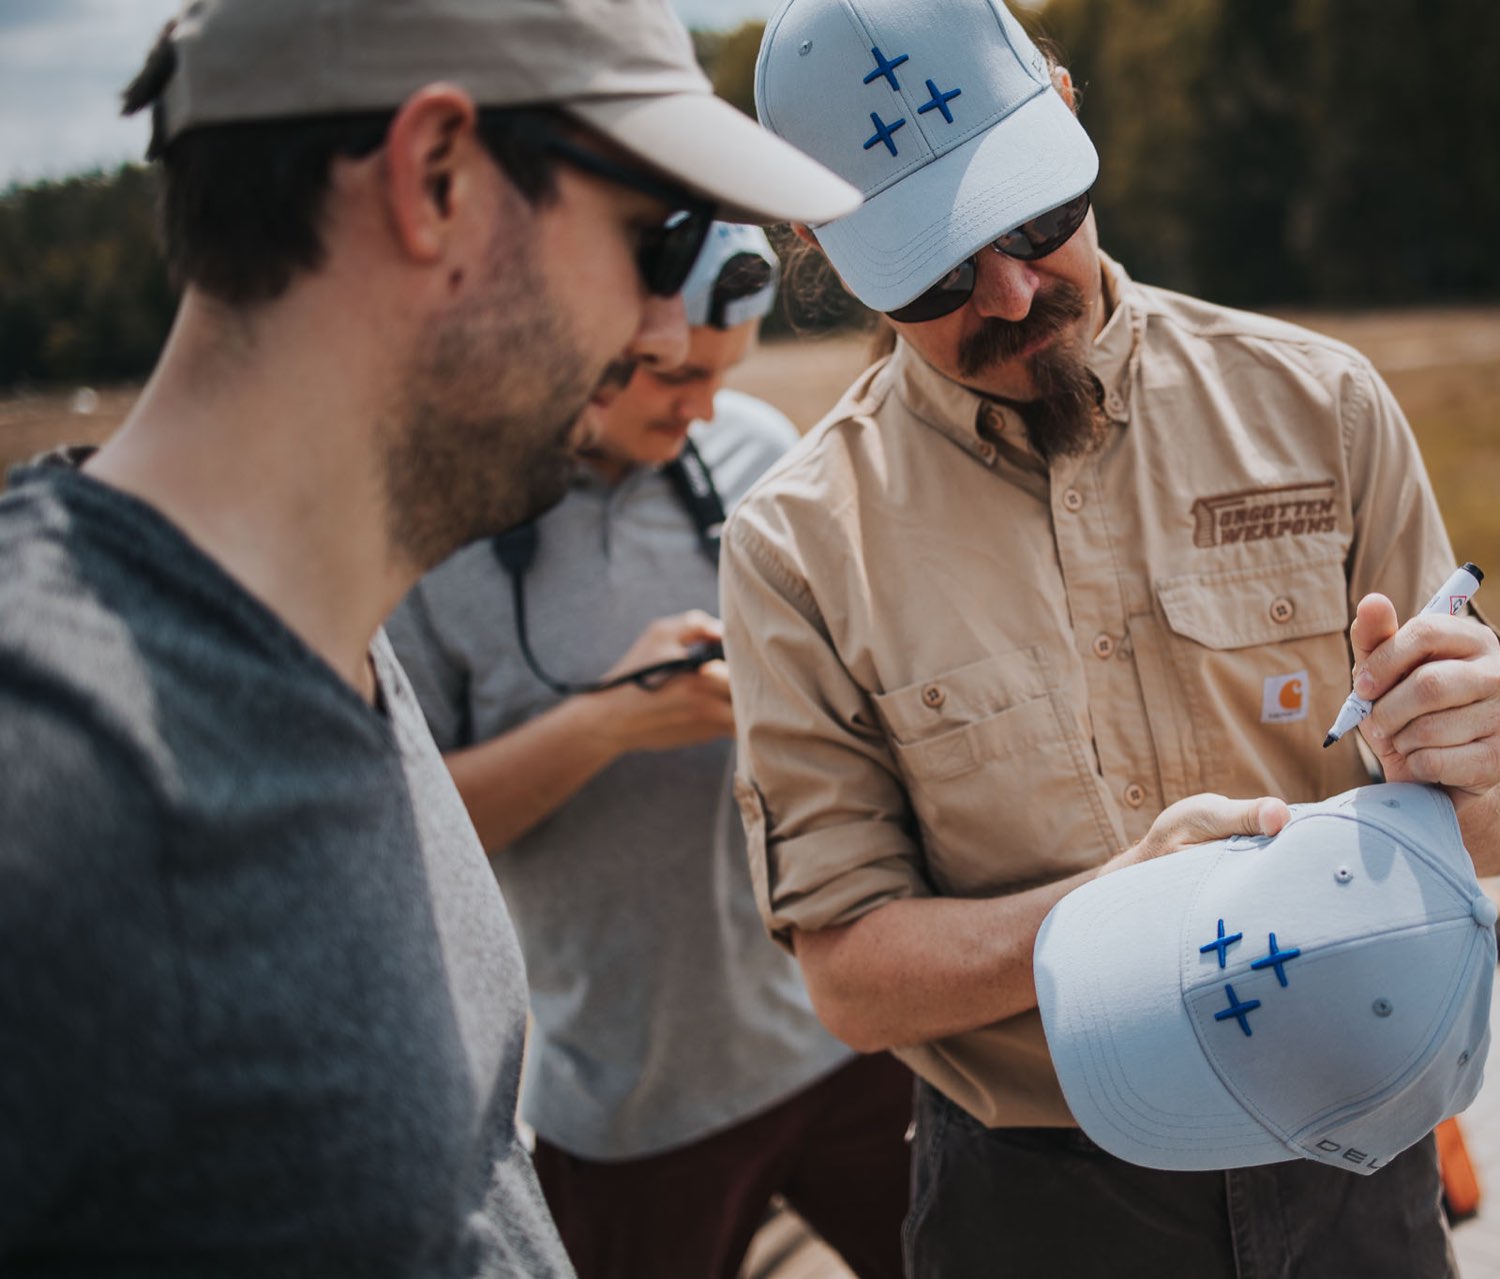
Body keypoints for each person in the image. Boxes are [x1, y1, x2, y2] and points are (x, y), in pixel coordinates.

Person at [0, 0, 858, 1272]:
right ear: (438, 181)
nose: (667, 335)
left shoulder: (327, 646)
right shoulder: (48, 772)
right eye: (647, 237)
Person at [719, 0, 1500, 1274]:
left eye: (1035, 219)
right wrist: (1113, 920)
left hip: (1357, 1151)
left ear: (1061, 99)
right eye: (934, 267)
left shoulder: (1320, 405)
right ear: (812, 239)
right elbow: (851, 975)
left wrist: (1485, 763)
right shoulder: (796, 546)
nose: (1008, 290)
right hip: (1043, 1204)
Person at [388, 223, 914, 1279]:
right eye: (672, 375)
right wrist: (612, 719)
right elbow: (407, 830)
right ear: (566, 336)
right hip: (630, 1102)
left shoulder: (760, 450)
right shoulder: (431, 527)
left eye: (725, 374)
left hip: (847, 1032)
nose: (705, 410)